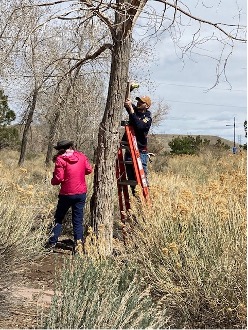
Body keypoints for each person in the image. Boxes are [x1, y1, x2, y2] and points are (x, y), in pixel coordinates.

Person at [46, 140, 93, 256]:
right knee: (78, 221)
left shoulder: (60, 159)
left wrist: (53, 180)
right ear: (72, 146)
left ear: (60, 149)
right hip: (81, 193)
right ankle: (78, 247)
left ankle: (51, 244)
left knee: (58, 218)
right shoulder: (81, 156)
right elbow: (89, 170)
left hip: (66, 194)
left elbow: (58, 178)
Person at [122, 95, 152, 195]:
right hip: (129, 150)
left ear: (147, 106)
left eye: (141, 102)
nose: (138, 103)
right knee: (131, 179)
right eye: (138, 101)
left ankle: (146, 200)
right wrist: (128, 93)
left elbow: (139, 126)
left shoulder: (147, 117)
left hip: (140, 151)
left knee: (141, 179)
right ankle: (135, 198)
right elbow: (127, 104)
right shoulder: (135, 111)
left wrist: (131, 110)